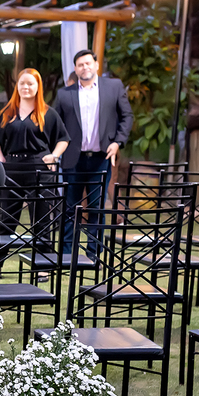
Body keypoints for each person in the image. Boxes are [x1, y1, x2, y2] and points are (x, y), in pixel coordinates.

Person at [52, 49, 133, 256]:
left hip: (101, 158)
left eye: (88, 63)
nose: (85, 67)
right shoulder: (64, 94)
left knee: (97, 207)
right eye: (80, 65)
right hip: (73, 159)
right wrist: (55, 151)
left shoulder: (113, 87)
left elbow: (127, 116)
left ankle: (93, 255)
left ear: (96, 65)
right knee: (70, 208)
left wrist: (118, 142)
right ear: (75, 69)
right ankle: (67, 255)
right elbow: (55, 125)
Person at [0, 68, 68, 248]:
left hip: (39, 168)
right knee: (6, 220)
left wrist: (54, 156)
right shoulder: (7, 113)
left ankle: (43, 261)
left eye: (30, 83)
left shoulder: (48, 113)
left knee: (41, 220)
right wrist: (0, 159)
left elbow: (63, 139)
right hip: (12, 170)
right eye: (22, 83)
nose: (26, 87)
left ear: (38, 86)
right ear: (17, 86)